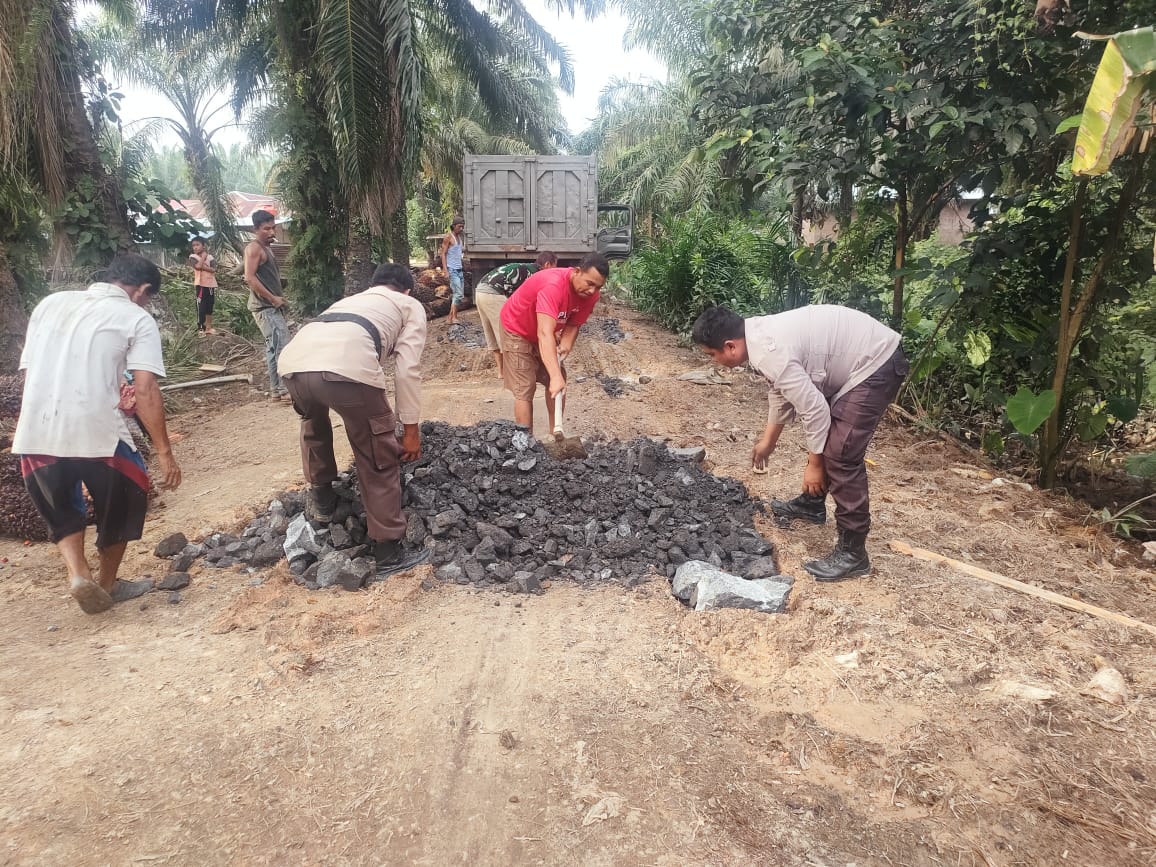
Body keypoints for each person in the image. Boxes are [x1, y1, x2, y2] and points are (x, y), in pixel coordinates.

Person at [13, 254, 182, 614]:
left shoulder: (50, 304)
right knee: (127, 498)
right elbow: (146, 389)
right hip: (98, 431)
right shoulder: (136, 317)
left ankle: (78, 574)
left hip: (37, 431)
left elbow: (30, 374)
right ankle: (106, 584)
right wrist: (165, 451)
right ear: (142, 290)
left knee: (62, 506)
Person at [691, 304, 909, 582]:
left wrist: (815, 464)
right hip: (862, 359)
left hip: (876, 362)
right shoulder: (757, 337)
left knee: (841, 453)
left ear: (730, 346)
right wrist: (768, 441)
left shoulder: (769, 351)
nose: (713, 361)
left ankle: (854, 555)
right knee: (832, 444)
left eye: (712, 355)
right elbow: (780, 391)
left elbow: (816, 409)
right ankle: (812, 504)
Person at [278, 263, 429, 576]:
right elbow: (407, 369)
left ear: (374, 284)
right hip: (345, 368)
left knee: (313, 426)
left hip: (292, 366)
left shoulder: (350, 301)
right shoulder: (409, 304)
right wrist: (410, 429)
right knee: (377, 452)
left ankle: (323, 502)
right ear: (406, 289)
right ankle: (388, 551)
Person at [498, 253, 609, 434]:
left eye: (598, 287)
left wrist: (566, 345)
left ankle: (554, 435)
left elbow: (573, 324)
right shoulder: (554, 285)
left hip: (544, 331)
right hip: (518, 328)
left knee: (558, 378)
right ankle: (526, 443)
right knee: (525, 388)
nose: (592, 291)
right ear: (577, 272)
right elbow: (544, 333)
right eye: (590, 283)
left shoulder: (591, 296)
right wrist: (555, 377)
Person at [475, 251, 558, 378]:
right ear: (547, 264)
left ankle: (501, 372)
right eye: (554, 266)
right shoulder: (535, 275)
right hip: (494, 293)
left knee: (491, 333)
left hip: (480, 290)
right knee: (507, 332)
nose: (555, 270)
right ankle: (512, 372)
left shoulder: (525, 268)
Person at [244, 209, 290, 402]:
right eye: (266, 229)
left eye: (273, 228)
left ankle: (276, 391)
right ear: (256, 229)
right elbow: (249, 278)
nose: (271, 232)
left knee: (274, 347)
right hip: (265, 308)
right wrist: (272, 298)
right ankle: (285, 390)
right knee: (282, 346)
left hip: (269, 307)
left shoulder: (266, 248)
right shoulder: (254, 248)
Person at [439, 216, 465, 324]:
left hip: (459, 269)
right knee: (458, 294)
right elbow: (443, 254)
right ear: (454, 226)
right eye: (459, 226)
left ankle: (450, 318)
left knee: (459, 294)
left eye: (462, 227)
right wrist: (445, 270)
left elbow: (460, 252)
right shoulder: (448, 237)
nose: (461, 229)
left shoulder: (459, 238)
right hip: (452, 270)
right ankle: (454, 318)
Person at [189, 236, 218, 335]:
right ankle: (201, 328)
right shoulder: (193, 257)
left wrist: (203, 265)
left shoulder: (211, 258)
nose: (195, 247)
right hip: (200, 285)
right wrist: (203, 258)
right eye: (193, 245)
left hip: (210, 285)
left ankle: (208, 327)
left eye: (197, 245)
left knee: (209, 306)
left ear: (203, 246)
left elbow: (214, 269)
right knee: (201, 307)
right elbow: (197, 267)